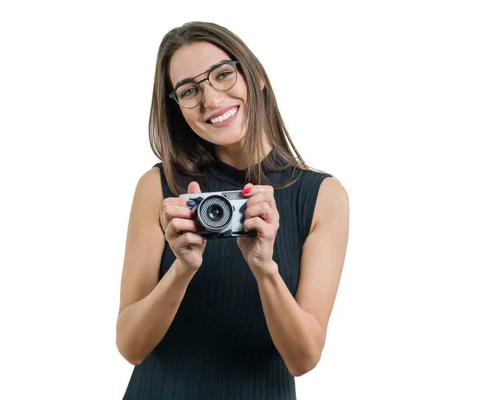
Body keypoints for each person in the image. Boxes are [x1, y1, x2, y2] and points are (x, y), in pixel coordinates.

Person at [116, 21, 349, 400]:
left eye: (223, 74)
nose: (210, 100)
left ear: (255, 75)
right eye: (188, 91)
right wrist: (182, 269)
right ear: (177, 109)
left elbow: (303, 358)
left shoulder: (323, 196)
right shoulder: (159, 187)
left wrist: (264, 268)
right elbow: (130, 346)